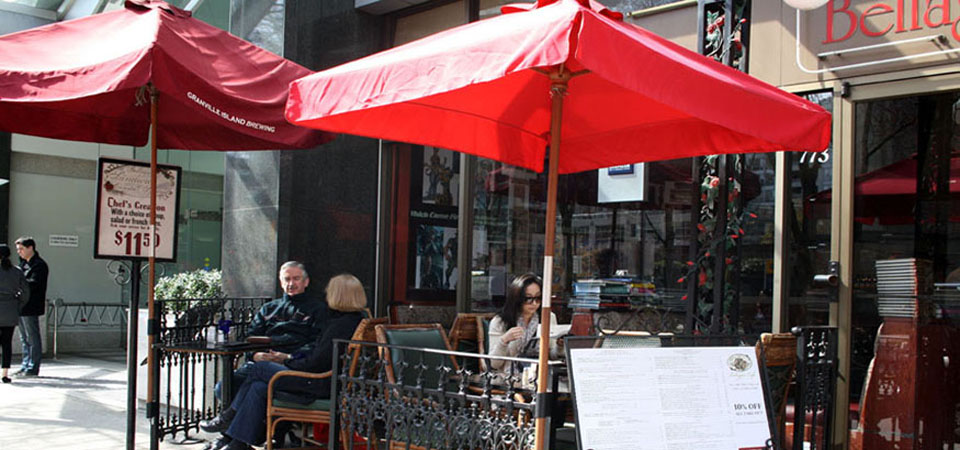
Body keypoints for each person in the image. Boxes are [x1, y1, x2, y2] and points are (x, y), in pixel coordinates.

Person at [200, 274, 367, 450]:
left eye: (330, 291)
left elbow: (317, 363)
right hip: (322, 379)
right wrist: (286, 358)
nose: (326, 294)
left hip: (317, 382)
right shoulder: (352, 320)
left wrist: (287, 363)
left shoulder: (339, 325)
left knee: (259, 368)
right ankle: (238, 443)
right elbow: (320, 358)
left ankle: (228, 418)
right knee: (257, 387)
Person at [216, 261, 328, 402]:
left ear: (306, 282)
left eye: (296, 279)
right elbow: (249, 337)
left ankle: (228, 420)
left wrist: (289, 356)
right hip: (261, 361)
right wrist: (255, 355)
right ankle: (235, 421)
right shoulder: (268, 309)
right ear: (281, 282)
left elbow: (316, 344)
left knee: (258, 386)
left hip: (293, 365)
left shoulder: (318, 309)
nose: (291, 284)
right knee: (223, 388)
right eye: (287, 279)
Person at [487, 273, 559, 376]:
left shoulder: (548, 318)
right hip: (507, 380)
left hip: (540, 378)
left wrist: (559, 346)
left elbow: (552, 355)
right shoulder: (500, 322)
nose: (534, 303)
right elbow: (493, 364)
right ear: (517, 298)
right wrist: (504, 341)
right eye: (528, 298)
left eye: (538, 298)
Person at [14, 236, 47, 377]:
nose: (19, 252)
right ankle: (25, 364)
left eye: (21, 249)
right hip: (20, 305)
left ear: (30, 248)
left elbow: (33, 284)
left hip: (31, 305)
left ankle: (33, 367)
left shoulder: (39, 265)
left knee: (32, 337)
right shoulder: (22, 264)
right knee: (24, 338)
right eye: (17, 249)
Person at [0, 244, 28, 384]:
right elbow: (25, 292)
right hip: (10, 309)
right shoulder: (16, 271)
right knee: (6, 343)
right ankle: (4, 373)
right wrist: (18, 304)